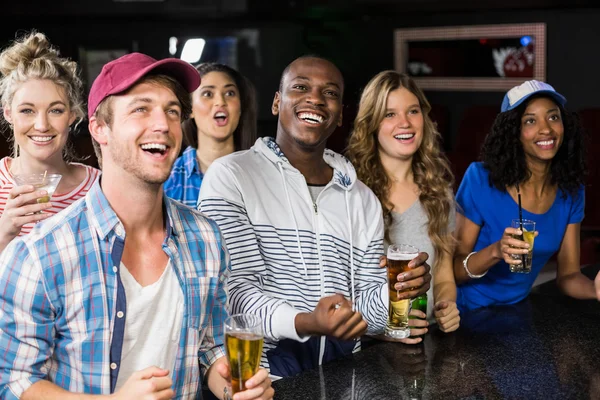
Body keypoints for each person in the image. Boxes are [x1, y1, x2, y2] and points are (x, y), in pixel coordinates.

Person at [0, 52, 273, 400]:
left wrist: (233, 387)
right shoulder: (38, 255)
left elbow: (209, 347)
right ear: (100, 128)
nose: (163, 124)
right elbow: (15, 382)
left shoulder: (206, 238)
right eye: (141, 109)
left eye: (173, 111)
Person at [199, 55, 431, 378]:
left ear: (338, 117)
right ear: (277, 103)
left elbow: (367, 313)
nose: (316, 99)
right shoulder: (232, 176)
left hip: (345, 380)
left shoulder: (361, 199)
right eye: (301, 87)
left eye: (330, 92)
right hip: (266, 382)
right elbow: (232, 296)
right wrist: (306, 322)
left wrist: (399, 291)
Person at [453, 80, 595, 311]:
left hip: (515, 312)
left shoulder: (571, 190)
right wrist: (496, 251)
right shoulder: (480, 179)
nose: (546, 129)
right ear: (513, 132)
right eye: (530, 120)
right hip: (461, 311)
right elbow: (454, 270)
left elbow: (569, 275)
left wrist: (595, 290)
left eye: (553, 117)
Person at [347, 71, 460, 342]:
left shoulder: (438, 190)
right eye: (390, 114)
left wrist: (446, 306)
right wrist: (388, 329)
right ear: (371, 123)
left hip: (428, 341)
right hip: (371, 350)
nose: (405, 123)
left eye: (412, 111)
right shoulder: (352, 192)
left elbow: (443, 274)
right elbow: (339, 290)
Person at [0, 32, 100, 252]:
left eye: (55, 110)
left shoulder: (99, 188)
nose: (42, 125)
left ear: (72, 115)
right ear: (9, 114)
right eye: (27, 110)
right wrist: (4, 233)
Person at [164, 62, 257, 207]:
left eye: (230, 93)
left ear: (240, 107)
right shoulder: (167, 178)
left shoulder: (261, 175)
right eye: (208, 94)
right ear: (190, 110)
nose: (220, 101)